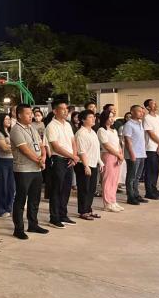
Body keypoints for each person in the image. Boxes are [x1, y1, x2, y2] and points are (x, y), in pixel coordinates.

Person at [10, 104, 48, 239]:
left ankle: (33, 224)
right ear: (19, 115)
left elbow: (41, 145)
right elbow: (24, 150)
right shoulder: (16, 129)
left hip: (36, 168)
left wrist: (43, 157)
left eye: (31, 113)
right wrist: (39, 160)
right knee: (21, 199)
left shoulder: (32, 128)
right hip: (23, 169)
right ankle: (18, 229)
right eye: (27, 113)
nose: (31, 116)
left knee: (35, 198)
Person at [45, 99, 79, 228]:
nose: (66, 111)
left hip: (69, 160)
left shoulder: (68, 125)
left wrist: (73, 156)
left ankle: (63, 215)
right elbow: (56, 147)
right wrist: (73, 156)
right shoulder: (51, 126)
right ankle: (54, 218)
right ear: (55, 111)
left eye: (66, 109)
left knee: (66, 189)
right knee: (56, 189)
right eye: (62, 109)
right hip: (58, 160)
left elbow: (73, 141)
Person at [74, 110, 103, 221]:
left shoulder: (92, 132)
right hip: (83, 164)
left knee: (91, 189)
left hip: (93, 163)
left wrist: (100, 161)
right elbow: (82, 151)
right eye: (90, 117)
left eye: (94, 117)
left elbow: (95, 150)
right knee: (84, 189)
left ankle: (88, 209)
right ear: (83, 120)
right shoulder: (81, 133)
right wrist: (86, 166)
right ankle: (83, 211)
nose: (93, 119)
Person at [98, 110, 124, 212]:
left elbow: (117, 144)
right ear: (104, 118)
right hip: (108, 156)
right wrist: (118, 154)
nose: (112, 119)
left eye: (113, 116)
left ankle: (113, 201)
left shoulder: (114, 130)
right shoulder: (101, 130)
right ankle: (107, 203)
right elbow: (107, 146)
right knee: (108, 180)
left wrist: (120, 154)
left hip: (117, 156)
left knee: (115, 180)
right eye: (109, 117)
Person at [123, 105, 148, 206]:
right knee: (131, 176)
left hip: (141, 153)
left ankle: (136, 194)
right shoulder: (129, 124)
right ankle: (130, 196)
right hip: (133, 154)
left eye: (142, 111)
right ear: (132, 112)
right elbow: (127, 140)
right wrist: (132, 154)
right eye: (139, 111)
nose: (141, 113)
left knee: (138, 176)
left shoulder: (140, 123)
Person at [142, 99, 159, 200]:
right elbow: (151, 134)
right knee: (150, 170)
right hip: (150, 148)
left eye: (156, 103)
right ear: (148, 107)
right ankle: (149, 192)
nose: (155, 104)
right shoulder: (147, 118)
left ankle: (154, 189)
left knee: (156, 170)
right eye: (153, 103)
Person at [0, 113, 15, 218]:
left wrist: (12, 146)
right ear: (1, 120)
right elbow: (4, 148)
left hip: (12, 161)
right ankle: (0, 209)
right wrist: (17, 147)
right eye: (6, 119)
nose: (8, 121)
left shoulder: (10, 132)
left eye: (9, 119)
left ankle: (9, 207)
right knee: (3, 186)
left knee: (11, 186)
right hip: (2, 161)